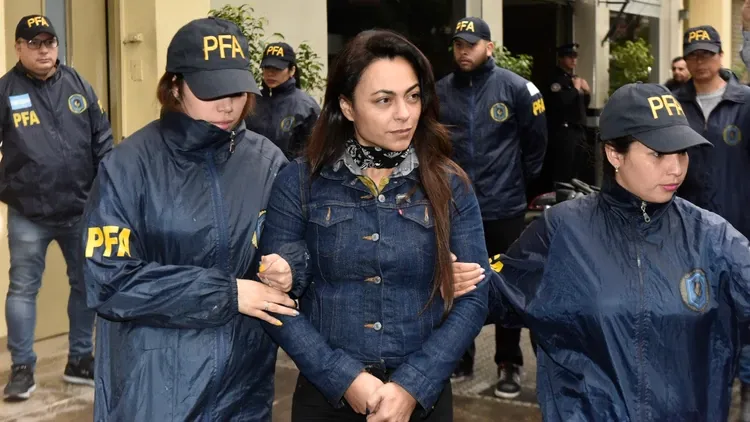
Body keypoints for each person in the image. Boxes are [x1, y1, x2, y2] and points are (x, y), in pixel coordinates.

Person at [457, 82, 750, 420]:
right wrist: (449, 280)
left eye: (682, 152)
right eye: (658, 154)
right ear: (614, 154)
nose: (676, 168)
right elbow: (493, 295)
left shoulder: (711, 236)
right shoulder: (562, 230)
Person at [259, 29, 489, 421]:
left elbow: (475, 299)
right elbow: (273, 300)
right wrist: (343, 378)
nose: (405, 113)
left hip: (423, 398)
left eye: (412, 96)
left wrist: (413, 384)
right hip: (326, 396)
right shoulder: (299, 181)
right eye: (384, 100)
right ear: (347, 107)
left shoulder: (449, 183)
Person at [82, 17, 303, 420]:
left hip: (244, 392)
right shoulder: (127, 167)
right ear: (175, 86)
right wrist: (227, 294)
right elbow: (108, 280)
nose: (226, 105)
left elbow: (296, 242)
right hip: (154, 394)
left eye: (236, 91)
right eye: (210, 91)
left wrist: (291, 265)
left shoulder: (268, 162)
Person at [1, 14, 113, 400]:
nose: (44, 50)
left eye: (49, 42)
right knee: (22, 288)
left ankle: (80, 359)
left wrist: (107, 191)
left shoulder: (78, 84)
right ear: (18, 47)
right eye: (34, 43)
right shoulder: (5, 91)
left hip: (80, 209)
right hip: (28, 214)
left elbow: (102, 138)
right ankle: (22, 368)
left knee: (85, 284)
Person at [435, 16, 547, 399]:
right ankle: (460, 357)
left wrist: (516, 185)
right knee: (457, 281)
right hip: (455, 207)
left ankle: (508, 362)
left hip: (505, 206)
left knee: (506, 284)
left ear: (489, 47)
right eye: (458, 44)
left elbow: (536, 147)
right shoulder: (440, 92)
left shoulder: (516, 88)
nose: (463, 51)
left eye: (471, 44)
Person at [245, 42, 320, 159]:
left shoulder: (306, 106)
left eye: (277, 68)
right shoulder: (251, 100)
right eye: (267, 67)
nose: (270, 73)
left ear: (292, 70)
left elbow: (315, 151)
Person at [542, 42, 591, 191]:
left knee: (578, 170)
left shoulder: (573, 78)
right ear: (561, 58)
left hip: (578, 129)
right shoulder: (555, 79)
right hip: (564, 130)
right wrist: (575, 89)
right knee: (564, 170)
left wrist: (586, 92)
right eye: (569, 57)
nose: (573, 60)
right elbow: (560, 102)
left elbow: (582, 105)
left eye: (575, 56)